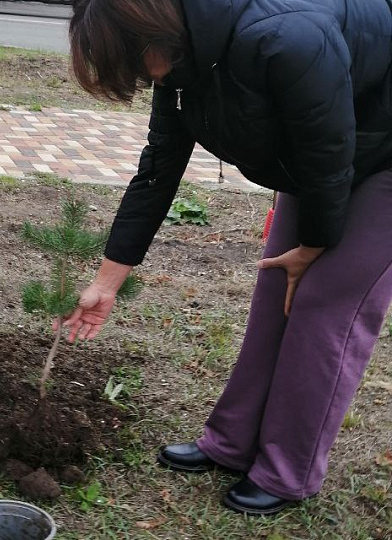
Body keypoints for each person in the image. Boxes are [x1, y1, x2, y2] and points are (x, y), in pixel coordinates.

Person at [67, 0, 392, 516]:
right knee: (275, 292)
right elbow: (157, 170)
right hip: (326, 152)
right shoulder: (181, 62)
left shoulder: (284, 37)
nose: (135, 77)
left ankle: (288, 472)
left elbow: (331, 151)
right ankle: (232, 442)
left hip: (379, 153)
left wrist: (313, 245)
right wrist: (107, 283)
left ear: (150, 34)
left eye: (130, 61)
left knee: (327, 307)